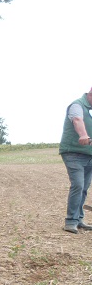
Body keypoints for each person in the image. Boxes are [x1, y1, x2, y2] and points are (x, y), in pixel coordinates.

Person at [59, 87, 92, 234]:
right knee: (78, 185)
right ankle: (70, 221)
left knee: (84, 188)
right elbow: (77, 120)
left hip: (89, 155)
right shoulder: (77, 106)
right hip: (73, 153)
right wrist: (83, 135)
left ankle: (78, 219)